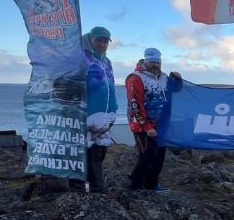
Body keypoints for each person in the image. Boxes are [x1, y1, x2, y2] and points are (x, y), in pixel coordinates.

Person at [126, 47, 183, 191]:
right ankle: (135, 186)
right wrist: (147, 126)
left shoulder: (164, 77)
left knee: (159, 155)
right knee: (147, 154)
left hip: (160, 124)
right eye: (152, 62)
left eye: (158, 62)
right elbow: (135, 103)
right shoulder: (136, 78)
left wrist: (178, 80)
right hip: (141, 125)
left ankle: (151, 184)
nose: (155, 65)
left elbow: (175, 90)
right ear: (145, 61)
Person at [70, 26, 117, 194]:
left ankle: (98, 189)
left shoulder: (106, 61)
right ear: (90, 39)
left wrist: (114, 108)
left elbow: (110, 87)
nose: (102, 44)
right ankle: (77, 193)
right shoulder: (79, 58)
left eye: (105, 41)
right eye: (99, 40)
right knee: (79, 155)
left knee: (97, 154)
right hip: (84, 116)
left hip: (103, 118)